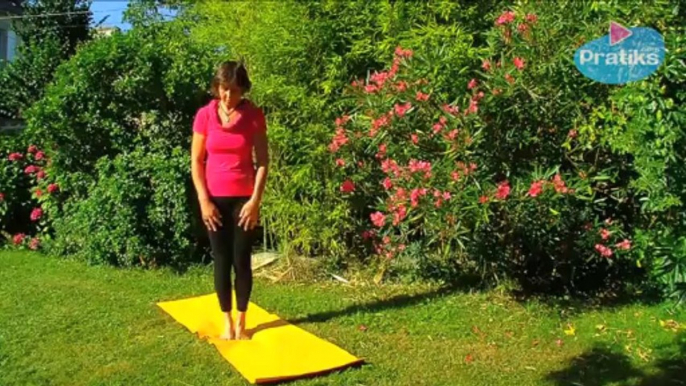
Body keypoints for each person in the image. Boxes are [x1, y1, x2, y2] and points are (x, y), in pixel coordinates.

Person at [191, 61, 269, 340]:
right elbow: (196, 161)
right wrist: (204, 200)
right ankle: (226, 320)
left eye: (235, 91)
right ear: (217, 87)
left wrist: (255, 201)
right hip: (214, 199)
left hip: (243, 200)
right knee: (221, 260)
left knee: (241, 259)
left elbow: (263, 162)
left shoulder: (253, 116)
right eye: (224, 89)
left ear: (243, 90)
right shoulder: (204, 116)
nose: (228, 96)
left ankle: (242, 320)